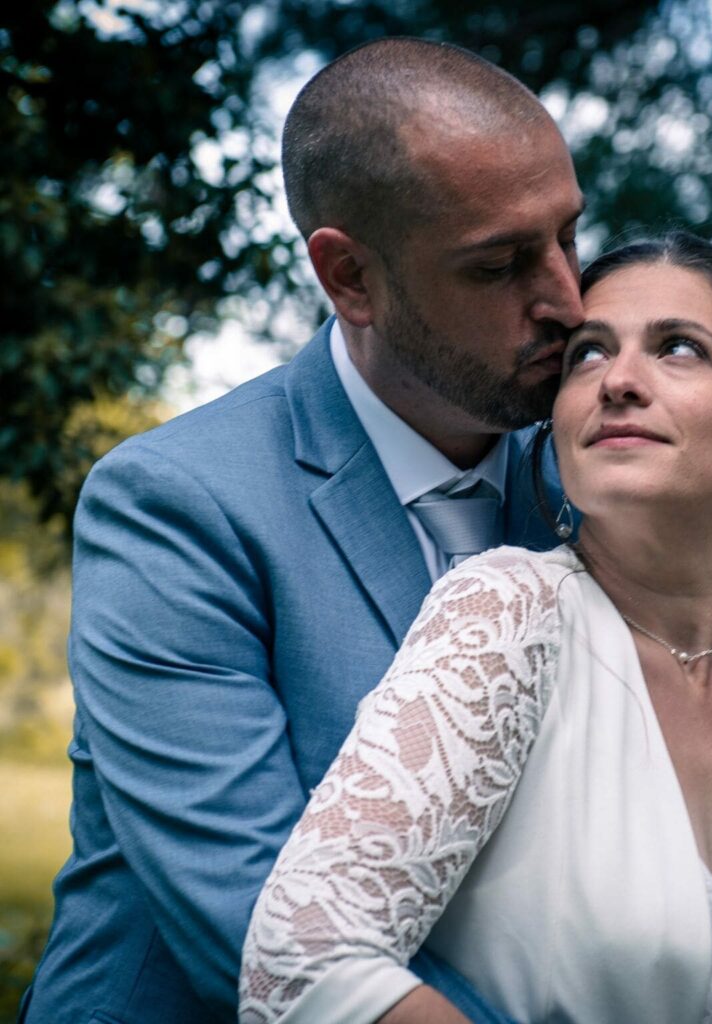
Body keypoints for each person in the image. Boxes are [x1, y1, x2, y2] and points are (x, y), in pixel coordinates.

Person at [20, 39, 584, 1024]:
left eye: (569, 238)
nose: (566, 302)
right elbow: (256, 926)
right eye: (499, 266)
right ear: (350, 278)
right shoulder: (178, 504)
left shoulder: (583, 489)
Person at [239, 231, 712, 1024]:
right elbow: (301, 959)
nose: (618, 381)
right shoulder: (506, 617)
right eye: (587, 354)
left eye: (678, 348)